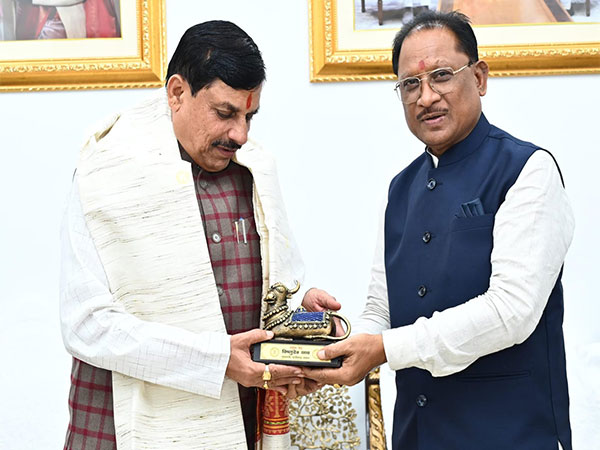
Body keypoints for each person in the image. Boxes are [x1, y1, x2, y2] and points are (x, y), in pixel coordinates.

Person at [303, 11, 574, 450]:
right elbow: (382, 309)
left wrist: (384, 348)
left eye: (442, 76)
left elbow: (511, 312)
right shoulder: (400, 189)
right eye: (410, 84)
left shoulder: (527, 170)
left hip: (511, 434)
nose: (426, 96)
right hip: (418, 434)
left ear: (480, 77)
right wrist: (335, 336)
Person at [60, 20, 334, 450]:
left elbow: (278, 293)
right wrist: (214, 359)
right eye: (225, 113)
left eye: (249, 116)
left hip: (237, 422)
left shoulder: (257, 170)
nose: (240, 135)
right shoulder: (106, 171)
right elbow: (85, 326)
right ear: (176, 93)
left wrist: (304, 315)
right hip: (122, 428)